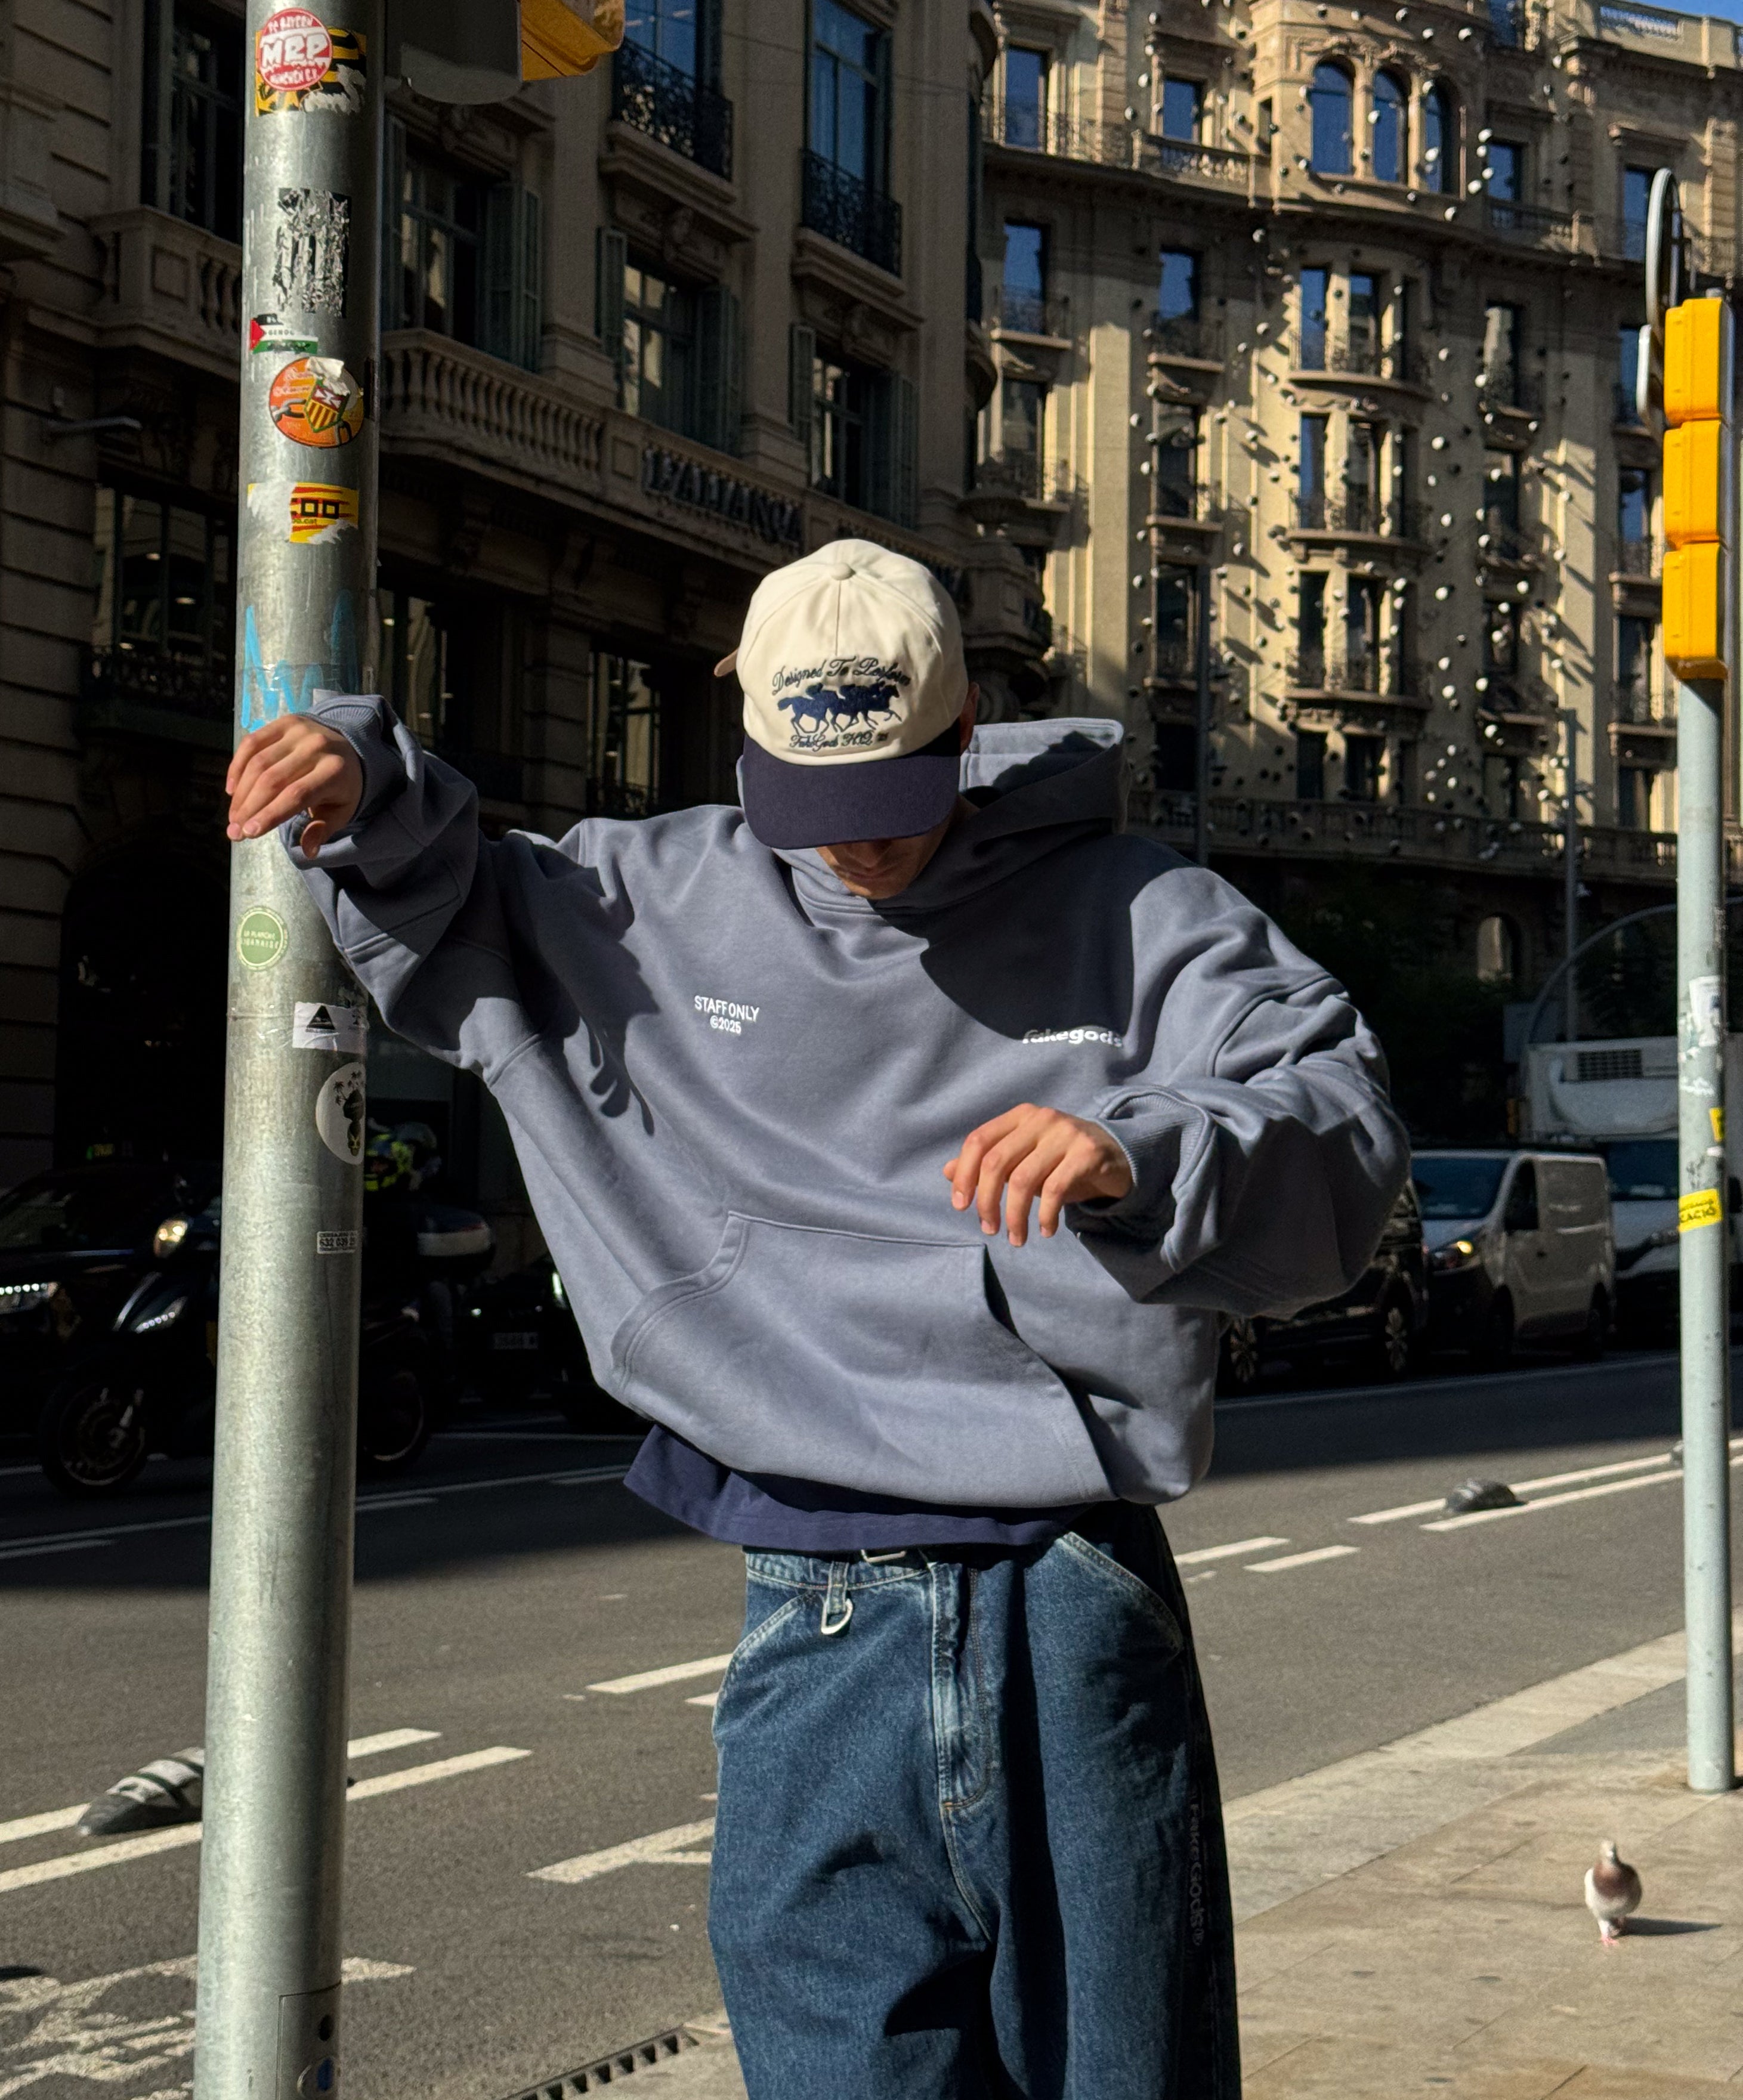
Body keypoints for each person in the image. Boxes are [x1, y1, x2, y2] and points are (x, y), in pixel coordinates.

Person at [225, 540, 1409, 2099]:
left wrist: (1141, 1147)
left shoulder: (1138, 909)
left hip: (1066, 1596)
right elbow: (448, 889)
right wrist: (363, 773)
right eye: (814, 806)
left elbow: (1332, 1112)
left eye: (893, 800)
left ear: (964, 719)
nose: (857, 854)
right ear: (743, 723)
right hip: (816, 1605)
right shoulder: (649, 896)